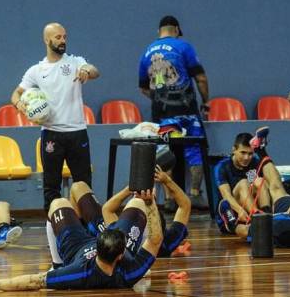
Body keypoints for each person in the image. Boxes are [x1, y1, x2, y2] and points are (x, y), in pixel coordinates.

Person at [0, 189, 162, 292]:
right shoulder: (131, 271)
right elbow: (155, 240)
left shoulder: (76, 274)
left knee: (58, 203)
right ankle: (140, 213)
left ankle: (57, 263)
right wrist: (150, 203)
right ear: (122, 255)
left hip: (76, 248)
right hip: (105, 249)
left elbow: (35, 281)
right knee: (138, 203)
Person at [10, 22, 100, 245]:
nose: (62, 40)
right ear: (46, 40)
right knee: (51, 186)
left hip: (77, 133)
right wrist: (19, 105)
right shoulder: (36, 71)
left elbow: (93, 69)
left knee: (83, 184)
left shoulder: (75, 62)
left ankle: (87, 231)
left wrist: (87, 71)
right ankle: (57, 234)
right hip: (51, 134)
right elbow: (16, 93)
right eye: (58, 37)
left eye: (64, 36)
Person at [138, 15, 210, 208]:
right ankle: (195, 194)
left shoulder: (146, 52)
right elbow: (201, 78)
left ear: (159, 31)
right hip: (187, 111)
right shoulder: (184, 47)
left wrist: (159, 99)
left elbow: (143, 88)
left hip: (162, 114)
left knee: (165, 153)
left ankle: (169, 199)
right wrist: (206, 102)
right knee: (195, 150)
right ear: (176, 30)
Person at [222, 147, 290, 249]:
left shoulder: (279, 222)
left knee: (272, 188)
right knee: (277, 189)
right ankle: (260, 150)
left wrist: (231, 223)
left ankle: (261, 150)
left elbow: (244, 232)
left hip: (278, 228)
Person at [103, 166, 191, 258]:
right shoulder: (166, 244)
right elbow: (185, 205)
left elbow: (107, 210)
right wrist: (167, 181)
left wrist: (130, 189)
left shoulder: (122, 240)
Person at [213, 132, 271, 228]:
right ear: (234, 150)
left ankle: (266, 217)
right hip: (232, 212)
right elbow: (226, 195)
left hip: (252, 209)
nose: (246, 158)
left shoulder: (255, 162)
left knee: (261, 181)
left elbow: (270, 186)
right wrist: (240, 210)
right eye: (243, 152)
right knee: (244, 183)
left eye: (250, 153)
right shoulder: (222, 167)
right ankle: (257, 219)